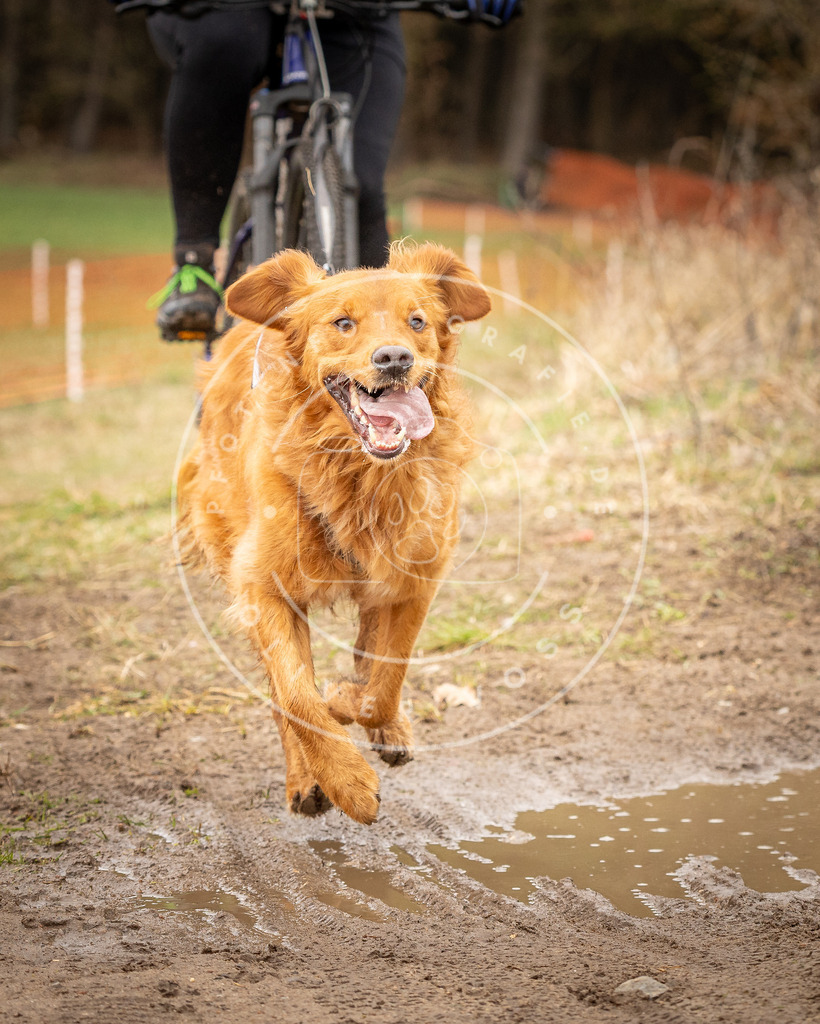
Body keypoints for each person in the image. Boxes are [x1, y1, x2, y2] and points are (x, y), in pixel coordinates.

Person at [111, 0, 521, 341]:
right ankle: (194, 263)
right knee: (225, 43)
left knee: (358, 183)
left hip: (357, 14)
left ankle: (383, 350)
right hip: (226, 10)